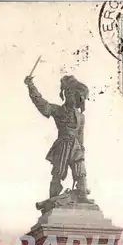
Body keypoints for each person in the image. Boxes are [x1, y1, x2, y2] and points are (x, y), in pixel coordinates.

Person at [24, 74, 90, 202]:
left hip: (75, 147)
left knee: (80, 171)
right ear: (66, 94)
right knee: (58, 173)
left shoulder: (81, 117)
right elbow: (42, 104)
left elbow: (80, 135)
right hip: (62, 145)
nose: (72, 96)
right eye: (69, 93)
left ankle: (83, 195)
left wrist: (81, 149)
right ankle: (52, 199)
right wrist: (31, 86)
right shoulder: (57, 110)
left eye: (75, 94)